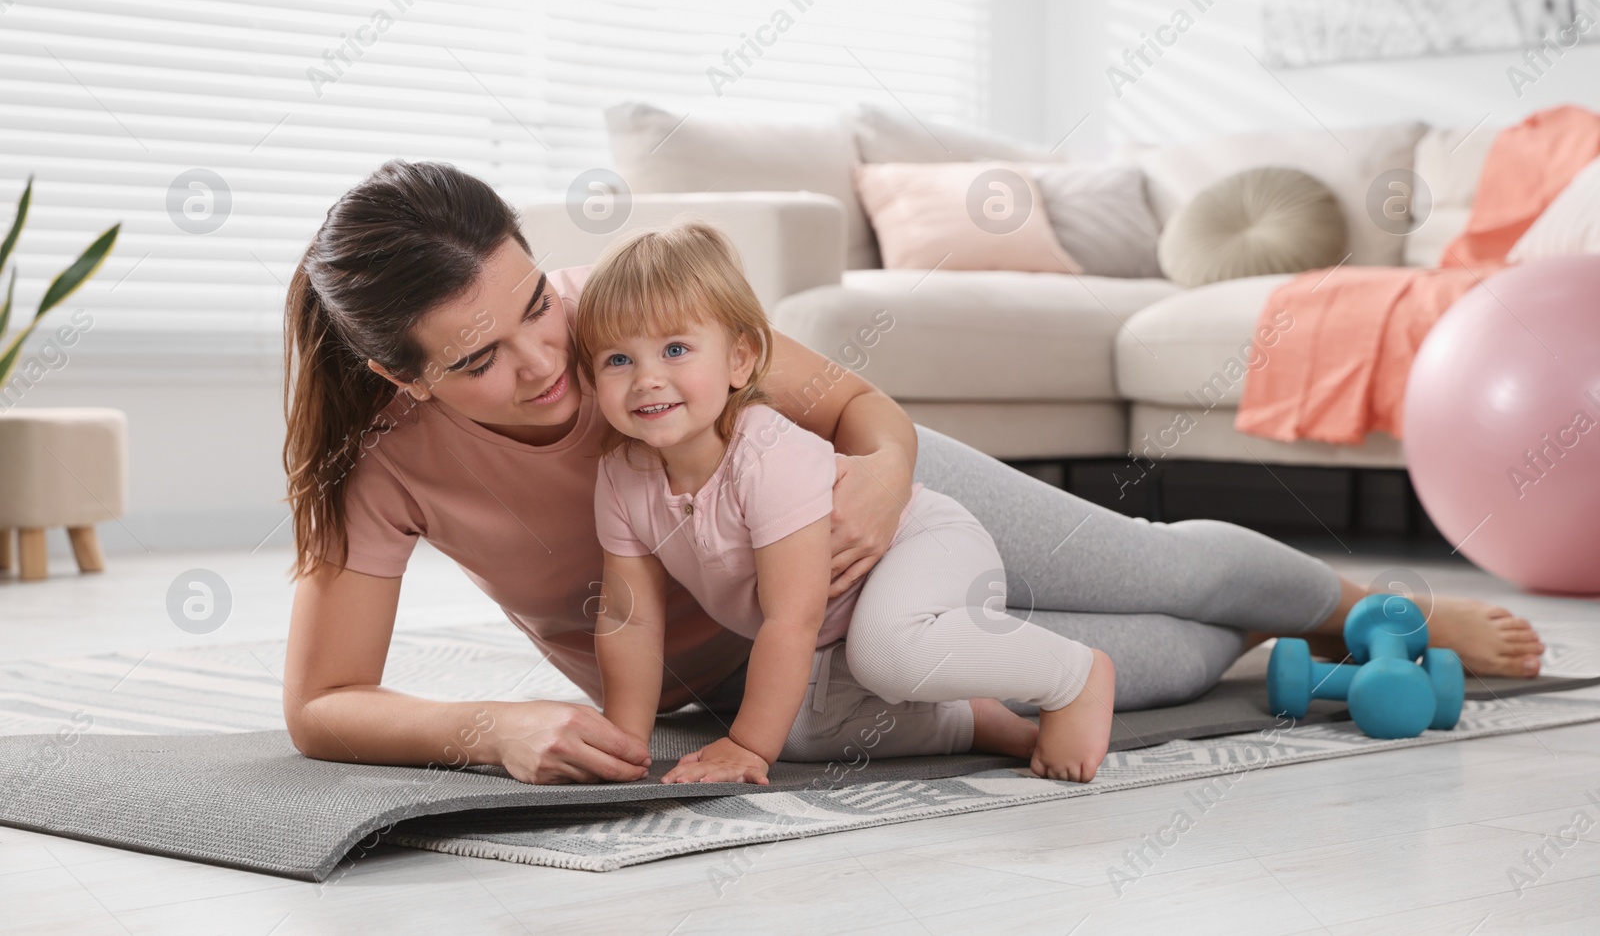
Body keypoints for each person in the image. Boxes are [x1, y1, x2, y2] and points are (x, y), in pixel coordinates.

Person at [281, 160, 1547, 785]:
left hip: (871, 513)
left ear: (530, 250)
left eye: (532, 304)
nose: (547, 364)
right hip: (771, 665)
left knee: (1154, 563)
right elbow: (323, 699)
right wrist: (489, 727)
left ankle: (1367, 608)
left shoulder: (622, 321)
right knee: (1159, 661)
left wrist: (880, 476)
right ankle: (1287, 662)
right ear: (403, 378)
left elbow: (856, 408)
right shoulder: (381, 463)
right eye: (480, 360)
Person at [577, 223, 1114, 783]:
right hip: (840, 626)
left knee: (880, 656)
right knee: (805, 732)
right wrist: (625, 741)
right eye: (618, 360)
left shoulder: (764, 453)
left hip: (923, 546)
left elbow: (792, 618)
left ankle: (1074, 675)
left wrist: (747, 748)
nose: (646, 379)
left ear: (740, 360)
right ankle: (971, 721)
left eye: (676, 349)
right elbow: (627, 616)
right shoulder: (621, 475)